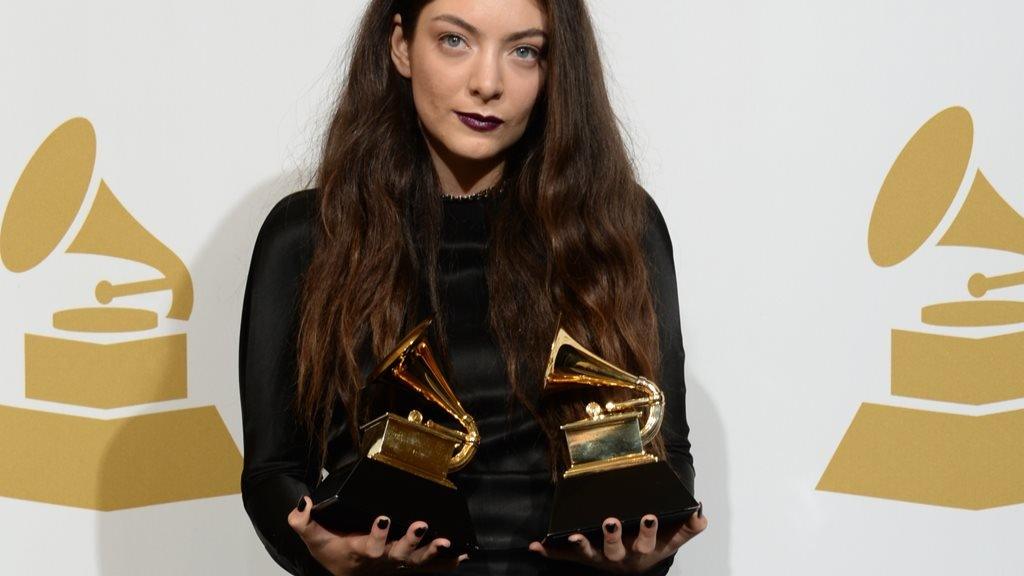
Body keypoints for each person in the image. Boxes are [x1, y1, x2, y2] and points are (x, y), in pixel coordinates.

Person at [238, 0, 707, 574]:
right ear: (401, 46)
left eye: (524, 51)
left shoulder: (619, 227)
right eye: (455, 41)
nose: (488, 84)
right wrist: (327, 557)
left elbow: (669, 456)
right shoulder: (309, 236)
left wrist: (640, 555)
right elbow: (272, 473)